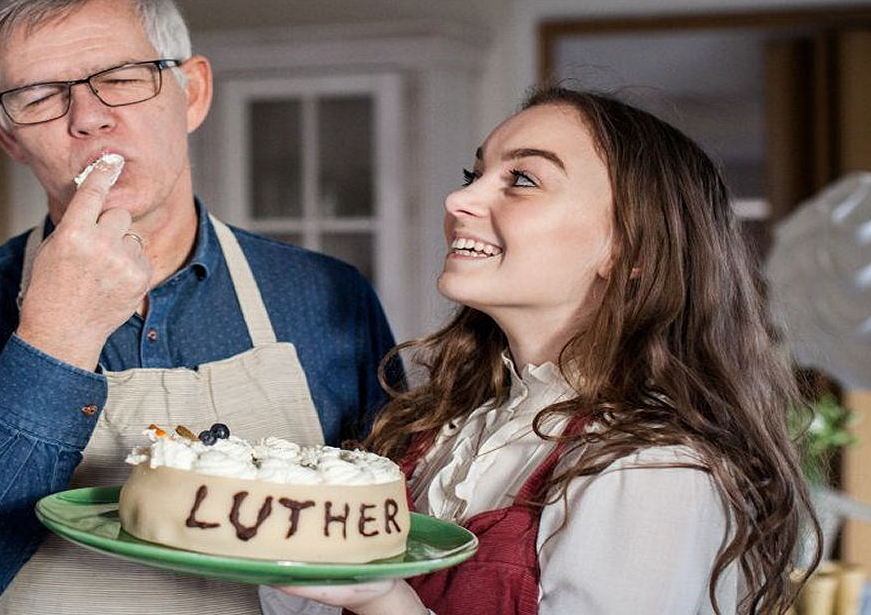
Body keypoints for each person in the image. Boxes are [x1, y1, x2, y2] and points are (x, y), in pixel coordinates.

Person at [0, 0, 396, 615]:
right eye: (39, 96)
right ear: (5, 132)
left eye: (121, 79)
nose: (87, 119)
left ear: (194, 93)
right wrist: (57, 337)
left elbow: (387, 542)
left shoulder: (327, 295)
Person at [262, 87, 818, 615]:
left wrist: (382, 597)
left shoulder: (657, 470)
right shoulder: (442, 430)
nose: (458, 199)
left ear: (630, 249)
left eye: (522, 179)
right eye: (474, 174)